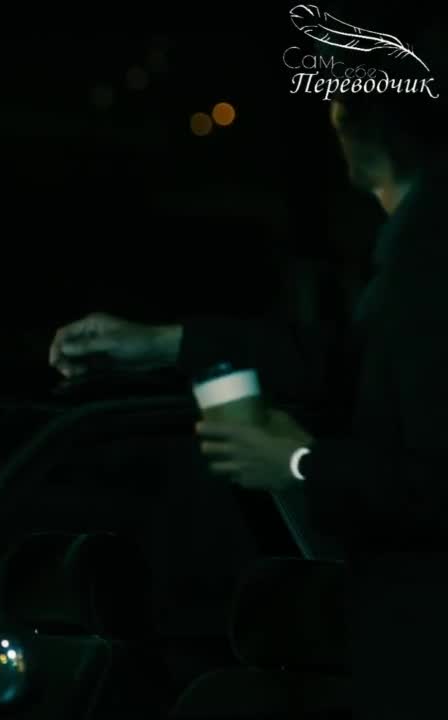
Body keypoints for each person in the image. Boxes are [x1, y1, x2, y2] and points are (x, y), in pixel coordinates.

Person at [48, 21, 448, 718]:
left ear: (360, 120)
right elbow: (348, 361)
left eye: (337, 95)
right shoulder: (416, 253)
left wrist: (296, 462)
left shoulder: (429, 258)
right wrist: (166, 344)